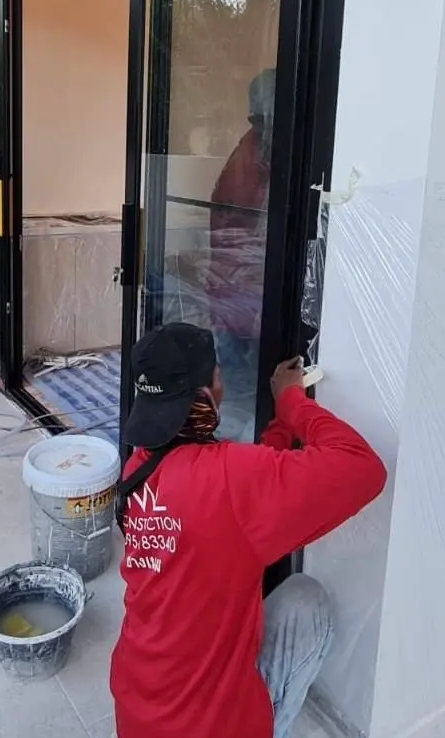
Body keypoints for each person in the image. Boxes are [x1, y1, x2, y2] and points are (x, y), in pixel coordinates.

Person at [109, 322, 386, 738]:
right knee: (306, 598)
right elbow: (362, 468)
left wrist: (277, 430)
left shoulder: (138, 470)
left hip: (138, 712)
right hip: (209, 728)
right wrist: (293, 403)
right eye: (219, 374)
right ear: (208, 391)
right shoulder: (233, 481)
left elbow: (232, 488)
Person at [207, 68, 277, 441]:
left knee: (247, 374)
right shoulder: (251, 155)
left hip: (241, 287)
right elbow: (232, 220)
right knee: (239, 376)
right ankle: (235, 443)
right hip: (239, 286)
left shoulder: (258, 150)